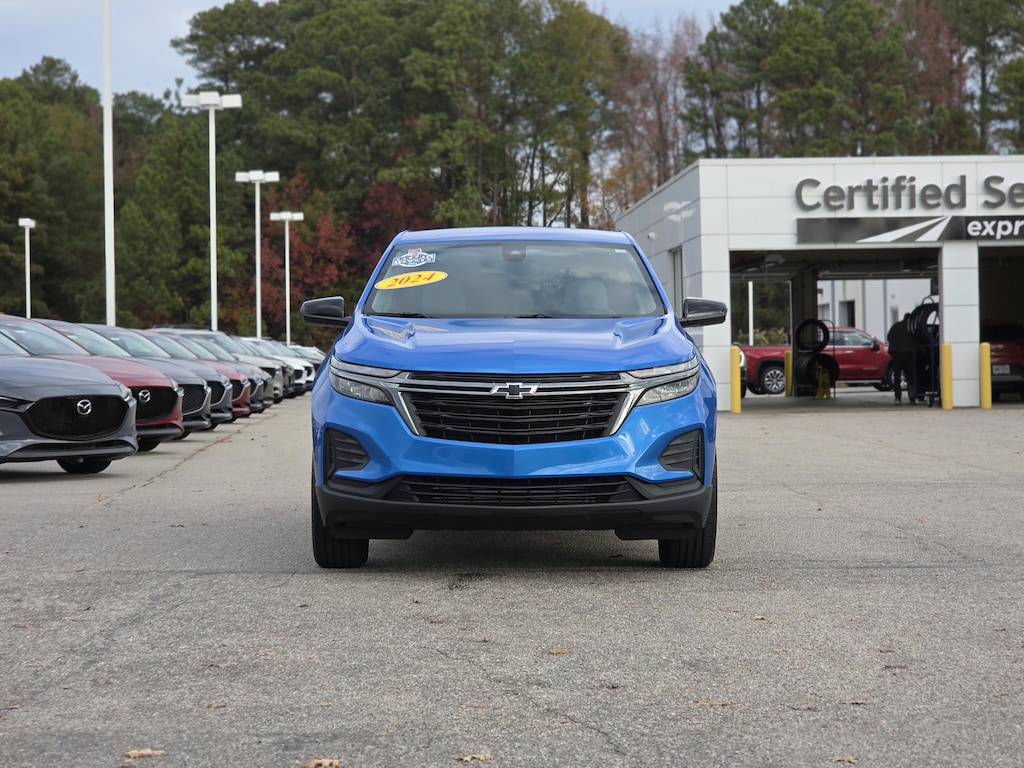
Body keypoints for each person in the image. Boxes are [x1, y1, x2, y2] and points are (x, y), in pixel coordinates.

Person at [887, 313, 915, 405]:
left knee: (897, 377)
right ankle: (912, 395)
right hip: (907, 355)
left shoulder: (896, 326)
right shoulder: (910, 328)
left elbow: (889, 337)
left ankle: (897, 397)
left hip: (896, 355)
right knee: (910, 376)